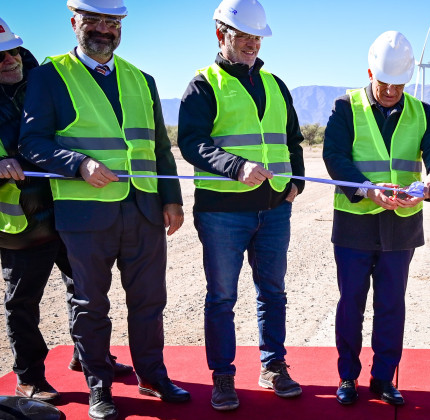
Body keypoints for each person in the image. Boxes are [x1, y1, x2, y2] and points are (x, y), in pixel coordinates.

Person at [19, 0, 189, 418]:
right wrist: (78, 164)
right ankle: (100, 386)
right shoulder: (48, 76)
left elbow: (159, 147)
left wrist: (171, 200)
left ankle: (152, 375)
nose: (103, 29)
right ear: (74, 22)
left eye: (112, 22)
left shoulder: (141, 79)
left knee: (150, 301)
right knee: (90, 304)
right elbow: (32, 142)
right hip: (84, 214)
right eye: (92, 20)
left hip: (145, 209)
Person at [177, 0, 305, 411]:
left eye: (257, 37)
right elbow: (192, 142)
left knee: (273, 293)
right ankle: (223, 376)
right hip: (222, 214)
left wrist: (295, 184)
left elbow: (293, 141)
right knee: (221, 297)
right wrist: (236, 166)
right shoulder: (203, 84)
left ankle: (274, 366)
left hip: (274, 210)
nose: (252, 44)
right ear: (221, 35)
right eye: (243, 36)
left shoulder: (276, 85)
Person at [0, 15, 133, 405]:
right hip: (21, 221)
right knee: (23, 302)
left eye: (11, 51)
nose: (8, 60)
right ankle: (29, 378)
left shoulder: (47, 80)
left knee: (87, 291)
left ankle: (89, 357)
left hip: (69, 207)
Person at [323, 30, 430, 407]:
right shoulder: (345, 107)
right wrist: (366, 188)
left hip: (401, 225)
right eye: (385, 83)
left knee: (392, 304)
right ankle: (348, 377)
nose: (392, 91)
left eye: (399, 83)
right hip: (355, 223)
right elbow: (335, 157)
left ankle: (383, 378)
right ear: (369, 72)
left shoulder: (420, 110)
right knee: (352, 303)